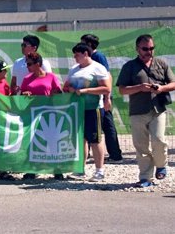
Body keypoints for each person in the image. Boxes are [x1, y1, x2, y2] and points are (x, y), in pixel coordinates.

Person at [116, 34, 174, 188]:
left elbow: (173, 83)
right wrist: (139, 88)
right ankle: (145, 178)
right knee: (141, 146)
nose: (149, 51)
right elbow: (122, 90)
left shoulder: (161, 64)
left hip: (158, 109)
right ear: (137, 49)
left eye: (151, 48)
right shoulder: (129, 67)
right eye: (145, 48)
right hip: (137, 111)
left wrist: (162, 88)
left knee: (159, 140)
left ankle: (161, 164)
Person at [63, 43, 111, 182]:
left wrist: (85, 91)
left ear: (85, 53)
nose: (75, 57)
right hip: (77, 109)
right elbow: (66, 86)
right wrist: (70, 88)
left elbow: (106, 88)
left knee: (95, 140)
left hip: (93, 108)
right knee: (80, 139)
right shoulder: (73, 69)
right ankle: (80, 169)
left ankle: (99, 170)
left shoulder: (98, 68)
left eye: (77, 55)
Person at [19, 52, 63, 180]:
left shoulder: (51, 77)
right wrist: (25, 94)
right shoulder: (27, 78)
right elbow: (21, 95)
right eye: (26, 64)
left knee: (52, 141)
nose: (27, 66)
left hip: (49, 113)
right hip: (32, 113)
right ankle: (32, 169)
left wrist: (56, 93)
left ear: (38, 64)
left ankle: (57, 169)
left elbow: (59, 93)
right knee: (32, 141)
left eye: (30, 64)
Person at [81, 34, 123, 163]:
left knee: (107, 125)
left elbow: (107, 76)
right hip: (95, 99)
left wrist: (107, 97)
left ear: (89, 45)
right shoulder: (89, 59)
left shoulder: (98, 57)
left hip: (102, 98)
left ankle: (115, 155)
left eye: (83, 43)